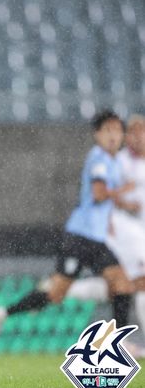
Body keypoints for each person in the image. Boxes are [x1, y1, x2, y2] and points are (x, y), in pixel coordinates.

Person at [0, 110, 135, 347]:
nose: (113, 135)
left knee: (123, 283)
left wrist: (118, 209)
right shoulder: (99, 159)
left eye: (117, 130)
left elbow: (103, 200)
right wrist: (123, 193)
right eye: (107, 130)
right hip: (80, 237)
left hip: (97, 238)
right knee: (55, 294)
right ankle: (1, 313)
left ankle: (119, 342)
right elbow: (98, 193)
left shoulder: (113, 161)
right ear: (97, 135)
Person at [59, 114, 145, 357]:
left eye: (143, 131)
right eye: (134, 131)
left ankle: (73, 288)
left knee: (122, 285)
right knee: (136, 282)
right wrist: (123, 203)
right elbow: (103, 194)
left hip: (138, 232)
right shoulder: (119, 161)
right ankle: (118, 342)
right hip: (126, 233)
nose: (139, 136)